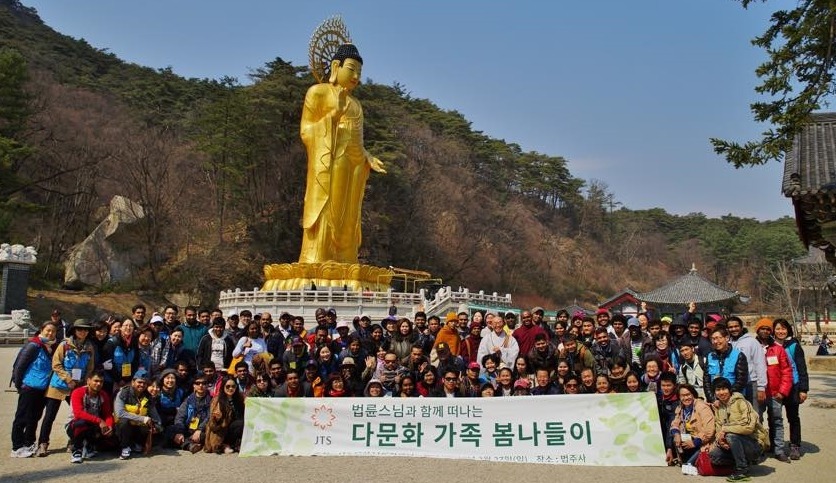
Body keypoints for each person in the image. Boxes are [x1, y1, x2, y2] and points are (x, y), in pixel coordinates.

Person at [298, 42, 386, 264]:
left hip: (355, 165)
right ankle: (318, 258)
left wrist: (367, 156)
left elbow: (357, 140)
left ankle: (346, 260)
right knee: (329, 210)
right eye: (352, 68)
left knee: (350, 217)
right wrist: (333, 117)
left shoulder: (356, 105)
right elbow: (306, 132)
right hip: (330, 164)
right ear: (336, 66)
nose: (356, 76)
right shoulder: (317, 93)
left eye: (359, 72)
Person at [38, 319, 96, 457]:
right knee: (49, 416)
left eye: (86, 329)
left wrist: (84, 382)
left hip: (78, 386)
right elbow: (56, 364)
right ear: (74, 330)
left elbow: (90, 367)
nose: (83, 332)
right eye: (80, 329)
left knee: (77, 415)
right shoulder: (64, 345)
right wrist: (68, 379)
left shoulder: (89, 347)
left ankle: (73, 441)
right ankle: (43, 443)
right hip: (58, 385)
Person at [10, 321, 57, 458]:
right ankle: (17, 446)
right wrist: (20, 385)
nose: (50, 333)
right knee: (22, 417)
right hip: (29, 387)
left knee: (34, 417)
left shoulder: (50, 347)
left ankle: (28, 443)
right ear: (41, 330)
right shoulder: (33, 346)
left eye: (53, 331)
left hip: (42, 388)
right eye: (48, 330)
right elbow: (19, 366)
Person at [708, 377, 769, 482]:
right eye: (718, 390)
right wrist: (720, 441)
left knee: (731, 435)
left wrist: (726, 429)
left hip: (753, 444)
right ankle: (742, 462)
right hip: (733, 445)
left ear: (730, 389)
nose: (721, 392)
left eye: (724, 389)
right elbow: (719, 429)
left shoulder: (742, 403)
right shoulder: (719, 408)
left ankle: (742, 469)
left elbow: (748, 426)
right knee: (714, 455)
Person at [753, 318, 793, 463]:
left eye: (768, 329)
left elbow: (787, 371)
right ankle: (759, 449)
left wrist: (782, 391)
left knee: (776, 421)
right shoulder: (753, 346)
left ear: (771, 331)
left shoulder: (777, 349)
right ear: (757, 330)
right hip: (757, 392)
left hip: (775, 392)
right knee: (757, 421)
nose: (765, 331)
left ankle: (779, 450)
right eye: (762, 328)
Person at [772, 318, 809, 460]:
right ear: (773, 331)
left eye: (783, 329)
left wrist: (803, 389)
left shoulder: (794, 345)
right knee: (774, 417)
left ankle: (795, 445)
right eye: (778, 329)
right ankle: (776, 444)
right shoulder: (770, 346)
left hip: (793, 386)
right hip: (776, 386)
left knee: (793, 417)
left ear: (788, 330)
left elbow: (801, 368)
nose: (780, 331)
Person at [113, 369, 162, 460]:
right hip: (121, 429)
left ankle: (136, 444)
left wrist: (157, 426)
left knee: (151, 425)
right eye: (139, 382)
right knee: (124, 422)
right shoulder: (123, 393)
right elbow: (120, 413)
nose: (142, 385)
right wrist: (142, 418)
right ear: (133, 382)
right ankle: (125, 447)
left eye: (144, 383)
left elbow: (156, 416)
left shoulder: (147, 396)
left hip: (137, 428)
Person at [66, 370, 113, 463]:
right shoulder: (77, 392)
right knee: (81, 423)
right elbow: (78, 413)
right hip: (75, 425)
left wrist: (109, 425)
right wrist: (99, 420)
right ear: (88, 381)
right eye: (96, 381)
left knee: (111, 441)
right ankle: (77, 450)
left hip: (94, 425)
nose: (98, 384)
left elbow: (108, 414)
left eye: (101, 382)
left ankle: (89, 446)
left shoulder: (104, 395)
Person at [670, 383, 715, 467]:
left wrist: (694, 443)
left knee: (687, 466)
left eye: (688, 394)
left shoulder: (702, 407)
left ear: (693, 394)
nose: (686, 398)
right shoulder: (681, 407)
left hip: (702, 442)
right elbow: (675, 423)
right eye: (682, 396)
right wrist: (676, 434)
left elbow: (709, 430)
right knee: (675, 436)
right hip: (689, 438)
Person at [704, 326, 749, 403]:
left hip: (734, 399)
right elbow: (706, 381)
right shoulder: (710, 356)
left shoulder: (738, 355)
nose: (715, 341)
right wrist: (712, 399)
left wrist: (726, 396)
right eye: (713, 339)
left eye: (718, 338)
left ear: (727, 338)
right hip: (716, 401)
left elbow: (741, 381)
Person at [204, 377, 245, 454]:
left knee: (242, 423)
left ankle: (234, 444)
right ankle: (225, 444)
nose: (231, 388)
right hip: (221, 430)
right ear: (223, 387)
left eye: (233, 386)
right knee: (240, 424)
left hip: (235, 429)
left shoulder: (240, 399)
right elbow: (212, 425)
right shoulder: (217, 400)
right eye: (228, 386)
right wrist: (216, 418)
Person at [172, 375, 212, 453]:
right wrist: (179, 431)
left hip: (202, 430)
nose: (201, 385)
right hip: (187, 429)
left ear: (207, 385)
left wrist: (200, 429)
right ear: (194, 385)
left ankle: (186, 444)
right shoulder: (188, 400)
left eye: (204, 383)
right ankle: (190, 444)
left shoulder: (211, 400)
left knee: (205, 436)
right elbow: (180, 417)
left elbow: (210, 417)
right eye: (198, 383)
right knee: (170, 431)